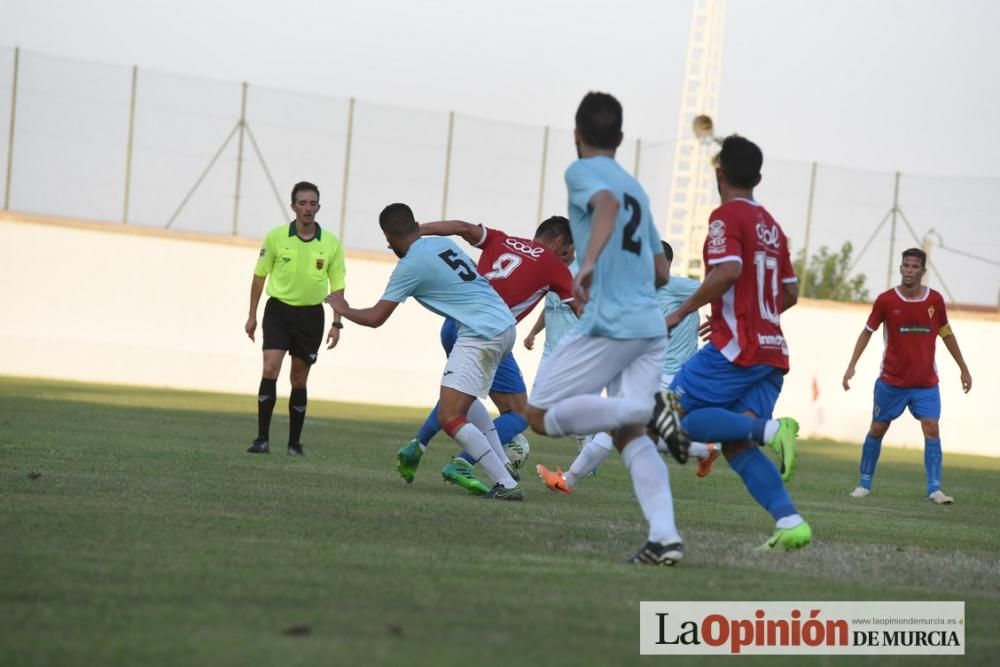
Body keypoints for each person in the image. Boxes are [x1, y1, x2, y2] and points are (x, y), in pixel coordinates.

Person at [524, 91, 686, 565]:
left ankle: (648, 407)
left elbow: (607, 205)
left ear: (576, 136)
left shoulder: (582, 172)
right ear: (619, 138)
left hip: (611, 321)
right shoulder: (638, 187)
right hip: (649, 325)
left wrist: (589, 262)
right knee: (630, 433)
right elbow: (660, 272)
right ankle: (665, 537)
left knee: (539, 414)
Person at [661, 135, 811, 552]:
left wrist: (679, 312)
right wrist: (751, 313)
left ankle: (774, 430)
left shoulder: (725, 216)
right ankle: (790, 520)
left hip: (738, 349)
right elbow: (790, 293)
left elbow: (728, 271)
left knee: (673, 415)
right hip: (770, 350)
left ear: (718, 172)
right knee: (736, 443)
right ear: (758, 177)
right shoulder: (772, 227)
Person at [327, 203, 524, 500]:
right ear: (416, 225)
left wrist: (344, 309)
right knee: (465, 403)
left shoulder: (409, 265)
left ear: (388, 236)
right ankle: (505, 473)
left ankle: (505, 485)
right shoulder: (441, 243)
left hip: (480, 332)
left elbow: (376, 318)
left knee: (450, 416)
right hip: (504, 324)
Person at [396, 216, 577, 495]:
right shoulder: (554, 265)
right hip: (486, 333)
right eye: (567, 253)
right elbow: (583, 311)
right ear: (558, 242)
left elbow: (460, 227)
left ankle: (417, 444)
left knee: (462, 397)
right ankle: (465, 462)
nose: (566, 260)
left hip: (453, 325)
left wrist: (415, 231)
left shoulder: (501, 239)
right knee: (519, 413)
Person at [535, 240, 719, 494]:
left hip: (674, 375)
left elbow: (718, 288)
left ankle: (568, 480)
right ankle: (704, 451)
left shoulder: (677, 287)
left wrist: (721, 322)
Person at [842, 248, 972, 504]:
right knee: (878, 428)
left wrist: (963, 367)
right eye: (906, 266)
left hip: (925, 383)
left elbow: (946, 333)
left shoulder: (935, 301)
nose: (909, 270)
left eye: (915, 267)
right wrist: (851, 365)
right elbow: (867, 331)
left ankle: (935, 489)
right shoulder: (886, 300)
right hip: (892, 381)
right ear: (900, 268)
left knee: (931, 428)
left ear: (923, 272)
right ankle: (864, 484)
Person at [245, 181, 345, 456]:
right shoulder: (276, 237)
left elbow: (337, 286)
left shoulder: (331, 243)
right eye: (302, 203)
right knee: (270, 369)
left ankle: (294, 444)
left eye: (312, 203)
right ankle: (262, 439)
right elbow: (259, 276)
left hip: (311, 316)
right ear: (293, 207)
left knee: (299, 380)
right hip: (278, 311)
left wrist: (337, 322)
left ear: (318, 207)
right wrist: (251, 315)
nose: (307, 208)